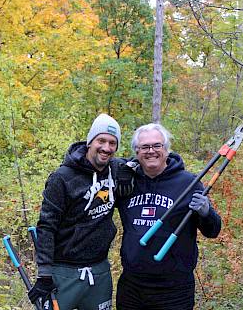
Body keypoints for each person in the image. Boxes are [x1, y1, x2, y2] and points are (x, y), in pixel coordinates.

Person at [114, 123, 222, 310]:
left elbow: (213, 231)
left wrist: (206, 212)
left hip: (174, 290)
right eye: (145, 147)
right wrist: (122, 169)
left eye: (157, 145)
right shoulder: (127, 181)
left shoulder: (189, 182)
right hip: (132, 286)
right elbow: (98, 162)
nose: (151, 151)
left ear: (166, 149)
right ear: (136, 152)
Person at [29, 114, 121, 310]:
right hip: (64, 272)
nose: (106, 147)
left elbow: (150, 159)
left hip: (99, 271)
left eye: (112, 143)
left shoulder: (117, 170)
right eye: (101, 140)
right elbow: (46, 226)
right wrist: (44, 274)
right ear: (90, 141)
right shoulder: (62, 178)